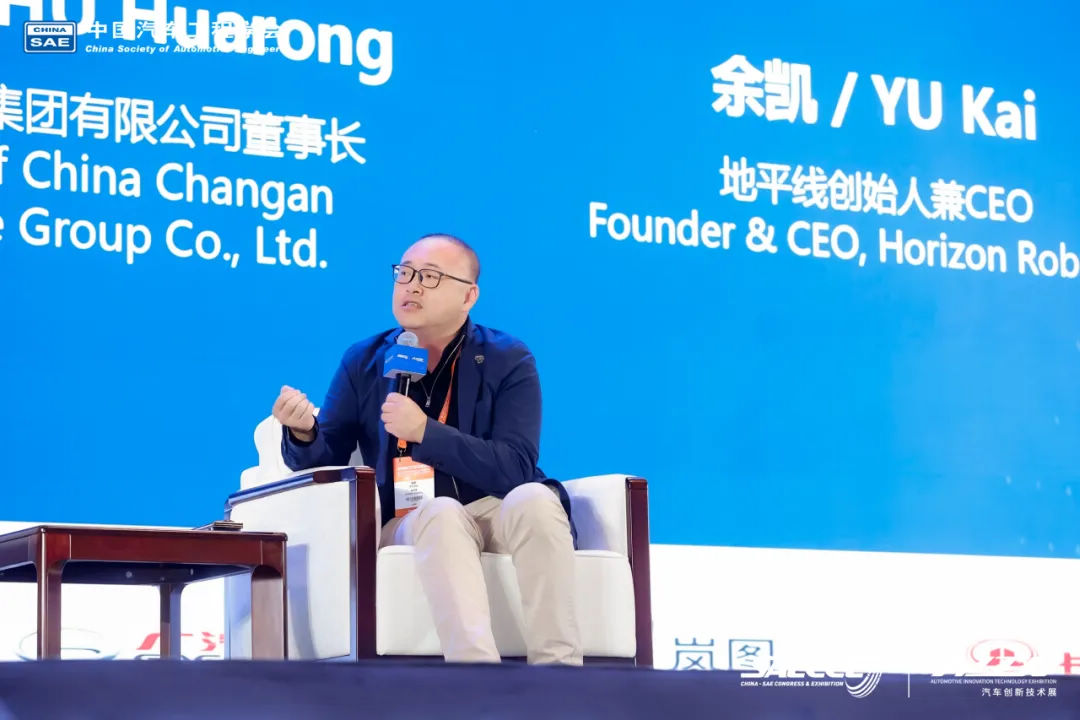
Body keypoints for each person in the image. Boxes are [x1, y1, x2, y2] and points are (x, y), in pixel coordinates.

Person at [271, 233, 581, 665]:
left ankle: (562, 676)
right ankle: (477, 679)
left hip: (495, 508)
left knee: (535, 498)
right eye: (405, 273)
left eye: (430, 277)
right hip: (409, 518)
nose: (412, 286)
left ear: (469, 296)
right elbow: (329, 460)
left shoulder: (507, 358)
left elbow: (515, 466)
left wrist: (425, 432)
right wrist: (304, 432)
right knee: (441, 512)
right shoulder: (364, 360)